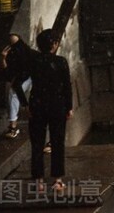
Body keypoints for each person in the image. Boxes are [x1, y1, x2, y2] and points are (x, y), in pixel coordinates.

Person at [15, 29, 72, 195]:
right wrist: (69, 107)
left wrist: (25, 105)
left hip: (37, 106)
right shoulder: (61, 62)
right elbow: (67, 87)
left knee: (37, 144)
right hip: (57, 107)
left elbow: (17, 83)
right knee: (57, 143)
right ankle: (57, 180)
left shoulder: (34, 62)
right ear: (54, 45)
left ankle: (38, 181)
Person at [0, 34, 30, 138]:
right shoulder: (10, 54)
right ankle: (13, 126)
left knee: (14, 92)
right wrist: (4, 59)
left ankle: (13, 126)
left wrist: (25, 104)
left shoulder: (26, 52)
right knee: (12, 93)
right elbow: (7, 75)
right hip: (19, 79)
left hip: (31, 76)